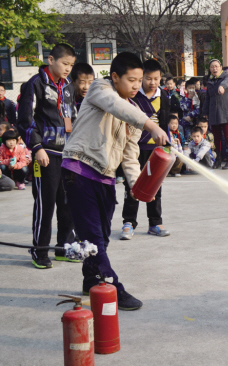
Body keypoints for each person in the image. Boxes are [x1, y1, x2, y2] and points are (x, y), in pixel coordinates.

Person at [62, 51, 168, 310]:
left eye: (139, 80)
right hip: (79, 171)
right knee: (94, 238)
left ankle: (91, 281)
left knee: (102, 238)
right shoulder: (100, 89)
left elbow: (130, 157)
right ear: (115, 77)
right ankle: (111, 286)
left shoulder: (134, 111)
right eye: (131, 80)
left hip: (106, 179)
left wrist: (139, 187)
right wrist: (150, 125)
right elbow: (115, 106)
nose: (136, 85)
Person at [17, 44, 77, 269]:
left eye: (71, 65)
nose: (68, 69)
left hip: (67, 154)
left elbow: (69, 117)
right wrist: (37, 147)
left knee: (68, 202)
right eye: (64, 64)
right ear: (51, 60)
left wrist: (74, 146)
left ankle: (64, 247)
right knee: (46, 203)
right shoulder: (36, 84)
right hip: (46, 154)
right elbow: (25, 120)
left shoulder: (69, 86)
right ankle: (40, 251)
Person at [121, 59, 171, 240]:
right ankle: (128, 222)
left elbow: (165, 124)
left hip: (156, 151)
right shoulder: (133, 96)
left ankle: (155, 222)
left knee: (155, 187)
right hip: (135, 149)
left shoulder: (164, 96)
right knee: (132, 185)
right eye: (148, 79)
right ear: (142, 78)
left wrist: (167, 147)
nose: (152, 83)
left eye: (156, 79)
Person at [204, 59, 228, 169]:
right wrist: (205, 112)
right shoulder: (209, 80)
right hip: (213, 112)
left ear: (221, 67)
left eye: (216, 66)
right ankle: (218, 160)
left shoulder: (226, 76)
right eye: (212, 67)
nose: (214, 68)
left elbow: (226, 83)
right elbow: (207, 98)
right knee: (216, 137)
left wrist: (222, 86)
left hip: (225, 111)